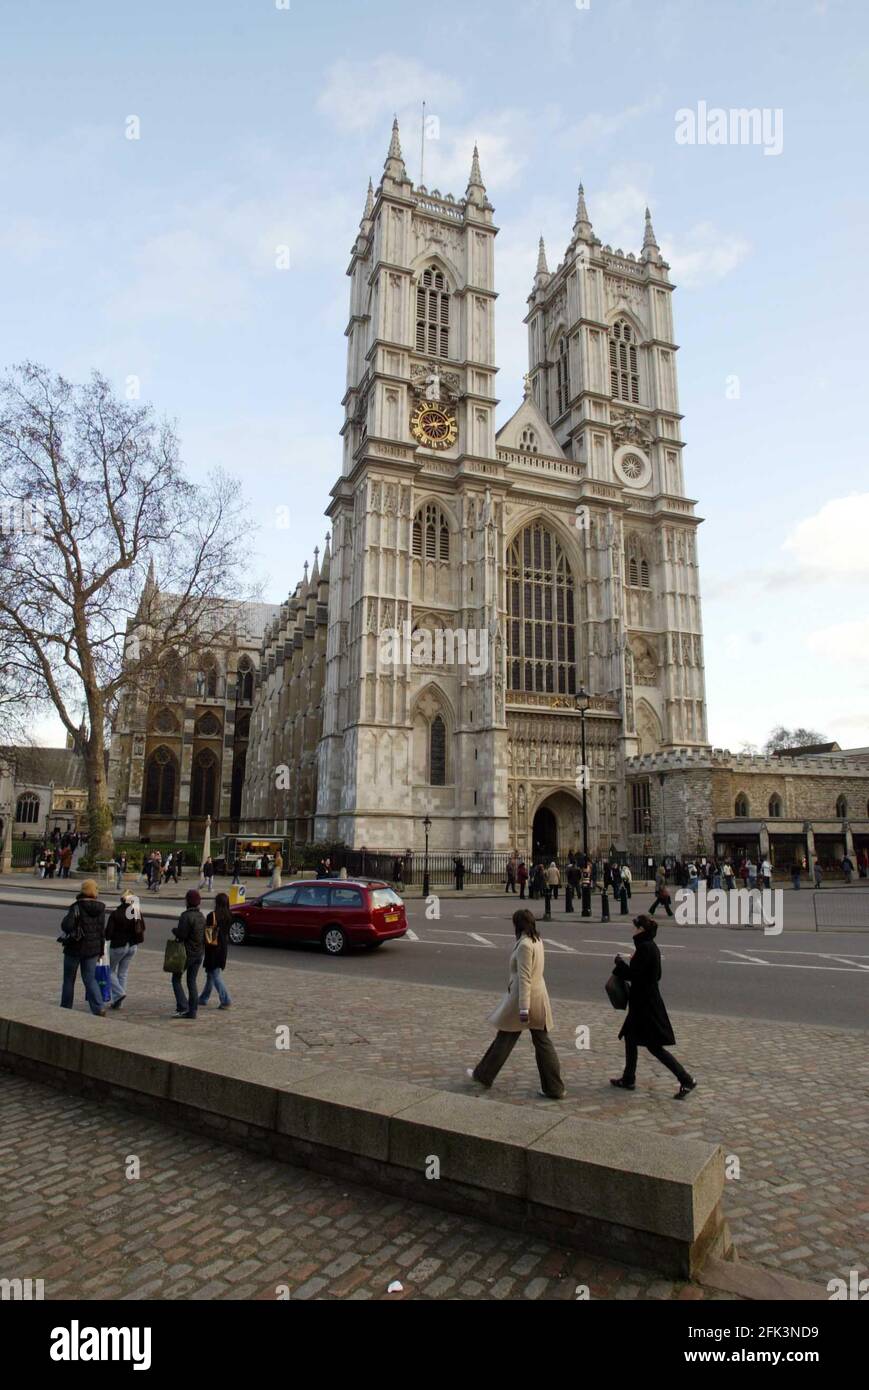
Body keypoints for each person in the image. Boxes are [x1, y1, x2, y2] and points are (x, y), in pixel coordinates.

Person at [467, 908, 565, 1100]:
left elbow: (524, 978)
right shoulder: (537, 940)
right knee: (540, 1042)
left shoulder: (525, 946)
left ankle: (484, 1075)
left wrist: (523, 1008)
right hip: (538, 997)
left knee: (506, 1039)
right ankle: (554, 1087)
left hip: (525, 999)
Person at [610, 914, 697, 1100]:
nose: (633, 930)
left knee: (654, 1047)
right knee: (630, 1038)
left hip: (646, 1005)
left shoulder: (645, 948)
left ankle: (686, 1079)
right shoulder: (649, 947)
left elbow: (635, 975)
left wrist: (619, 965)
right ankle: (628, 1078)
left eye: (635, 927)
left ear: (641, 929)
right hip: (645, 1002)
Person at [59, 879, 107, 1016]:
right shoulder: (101, 907)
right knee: (90, 979)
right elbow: (101, 931)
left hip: (75, 947)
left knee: (69, 979)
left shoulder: (77, 906)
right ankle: (98, 1007)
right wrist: (101, 951)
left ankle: (66, 1006)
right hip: (92, 949)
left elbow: (66, 926)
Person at [105, 891, 144, 1009]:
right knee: (123, 973)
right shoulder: (136, 912)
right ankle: (118, 1002)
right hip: (132, 946)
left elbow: (108, 934)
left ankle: (119, 993)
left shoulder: (116, 914)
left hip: (119, 946)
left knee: (108, 970)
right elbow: (142, 927)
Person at [170, 889, 206, 1019]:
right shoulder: (201, 916)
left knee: (176, 979)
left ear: (188, 901)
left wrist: (174, 930)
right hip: (198, 954)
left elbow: (182, 935)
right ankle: (193, 1010)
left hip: (186, 953)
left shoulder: (186, 916)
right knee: (192, 981)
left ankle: (182, 1006)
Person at [199, 891, 233, 1009]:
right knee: (211, 974)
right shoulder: (229, 915)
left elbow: (208, 935)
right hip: (223, 947)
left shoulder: (212, 915)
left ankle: (226, 999)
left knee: (214, 974)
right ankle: (203, 998)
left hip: (213, 947)